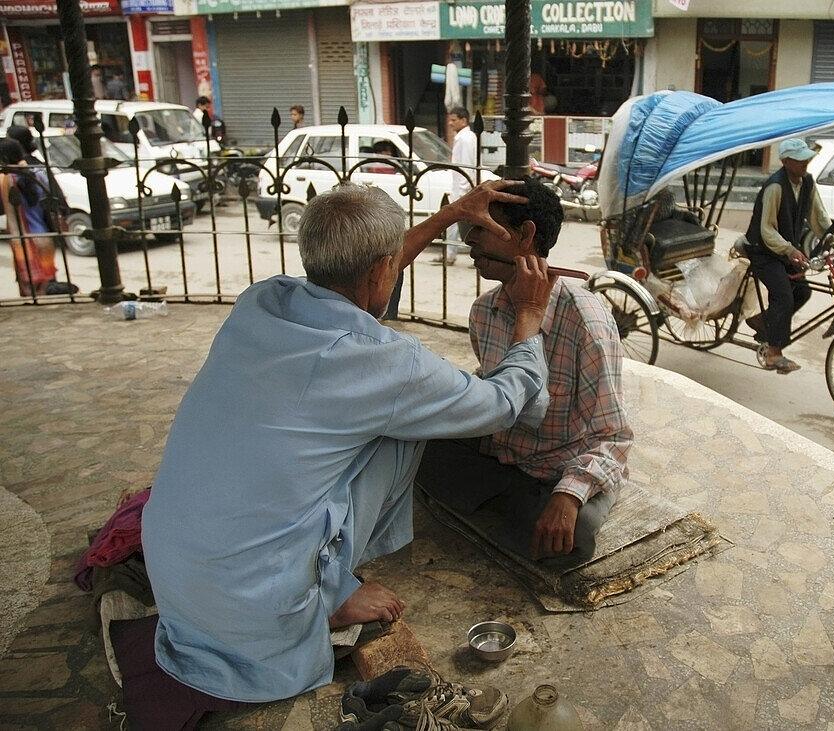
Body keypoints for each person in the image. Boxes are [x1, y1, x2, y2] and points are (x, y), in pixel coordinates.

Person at [136, 180, 554, 724]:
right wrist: (529, 317)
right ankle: (330, 593)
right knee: (404, 431)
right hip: (256, 616)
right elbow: (501, 404)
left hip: (178, 579)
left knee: (367, 434)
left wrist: (448, 214)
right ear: (384, 270)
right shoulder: (384, 361)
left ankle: (331, 580)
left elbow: (357, 281)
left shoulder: (262, 300)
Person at [417, 179, 633, 564]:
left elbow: (613, 436)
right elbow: (493, 397)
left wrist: (568, 495)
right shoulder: (485, 311)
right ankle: (520, 506)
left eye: (482, 228)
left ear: (526, 234)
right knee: (411, 448)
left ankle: (532, 505)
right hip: (505, 452)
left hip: (562, 466)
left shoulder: (585, 320)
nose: (469, 240)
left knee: (576, 535)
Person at [743, 137, 833, 375]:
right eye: (799, 160)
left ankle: (764, 322)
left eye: (806, 159)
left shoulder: (807, 183)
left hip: (783, 250)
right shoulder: (775, 186)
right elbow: (766, 229)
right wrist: (790, 249)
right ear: (785, 161)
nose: (805, 164)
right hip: (763, 250)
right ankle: (774, 354)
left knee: (803, 290)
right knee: (783, 295)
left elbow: (820, 220)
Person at [0, 138, 76, 296]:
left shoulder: (6, 180)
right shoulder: (38, 174)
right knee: (44, 286)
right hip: (45, 238)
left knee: (30, 292)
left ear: (4, 159)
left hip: (23, 242)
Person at [442, 106, 477, 264]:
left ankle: (455, 254)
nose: (450, 123)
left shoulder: (466, 138)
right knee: (452, 222)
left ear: (464, 120)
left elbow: (466, 165)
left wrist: (464, 190)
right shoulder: (462, 137)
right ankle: (450, 254)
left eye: (454, 120)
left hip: (463, 187)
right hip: (458, 186)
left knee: (465, 224)